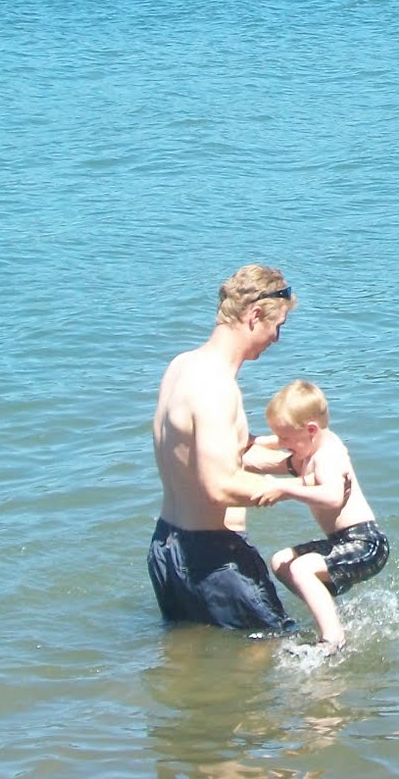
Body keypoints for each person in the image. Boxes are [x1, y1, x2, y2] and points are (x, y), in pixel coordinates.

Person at [147, 265, 299, 632]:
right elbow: (219, 485)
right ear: (254, 315)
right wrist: (306, 491)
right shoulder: (217, 386)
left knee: (191, 666)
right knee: (278, 655)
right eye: (276, 326)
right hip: (214, 560)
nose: (276, 339)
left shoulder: (182, 366)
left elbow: (226, 453)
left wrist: (297, 464)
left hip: (166, 549)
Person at [246, 379, 389, 653]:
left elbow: (333, 496)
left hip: (365, 542)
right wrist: (253, 441)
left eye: (286, 439)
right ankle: (329, 615)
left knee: (301, 568)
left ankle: (334, 640)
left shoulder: (328, 454)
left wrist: (284, 488)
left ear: (311, 430)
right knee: (282, 562)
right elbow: (276, 439)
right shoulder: (311, 442)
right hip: (340, 540)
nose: (283, 445)